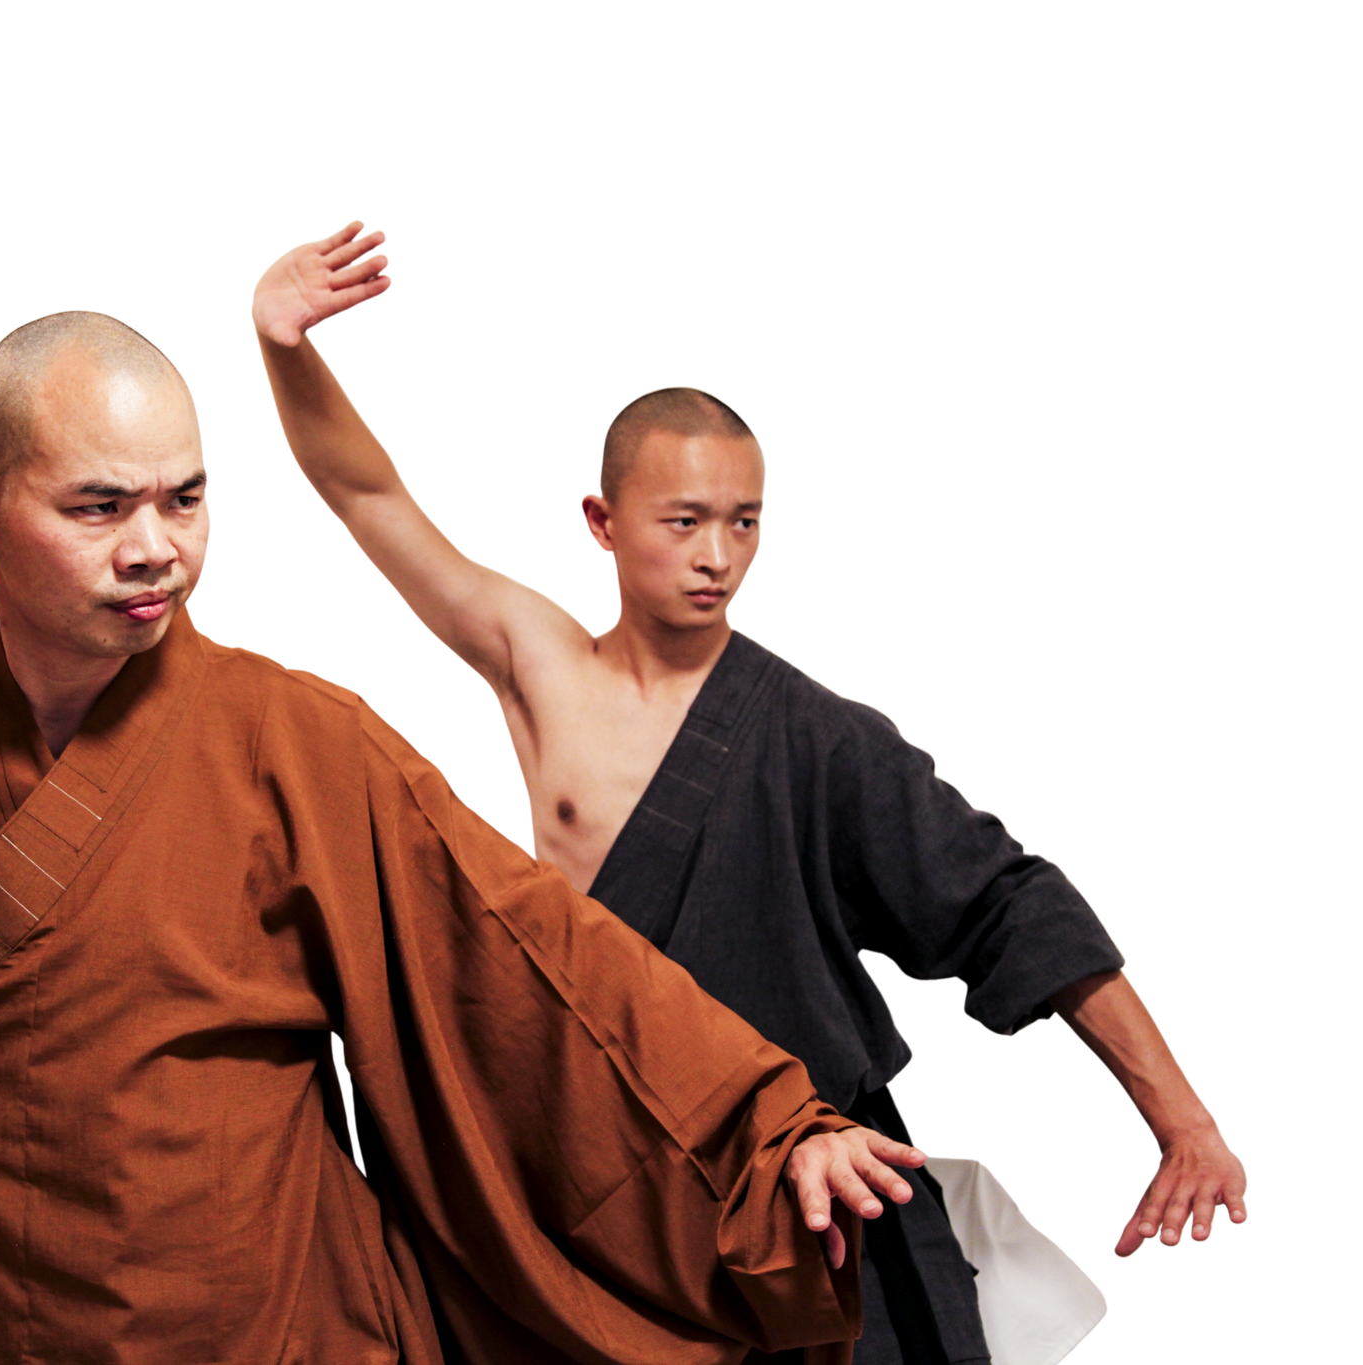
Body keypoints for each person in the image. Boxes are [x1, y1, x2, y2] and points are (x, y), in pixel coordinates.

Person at [0, 37, 935, 1365]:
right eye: (102, 505)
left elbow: (533, 969)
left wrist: (765, 1134)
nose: (156, 550)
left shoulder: (291, 739)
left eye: (187, 501)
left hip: (263, 1317)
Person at [253, 222, 1251, 1365]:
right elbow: (367, 496)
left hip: (809, 1188)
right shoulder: (541, 670)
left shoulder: (821, 738)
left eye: (740, 522)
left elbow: (1010, 906)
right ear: (600, 523)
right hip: (605, 1175)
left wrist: (1180, 1120)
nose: (715, 556)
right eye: (682, 522)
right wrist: (283, 346)